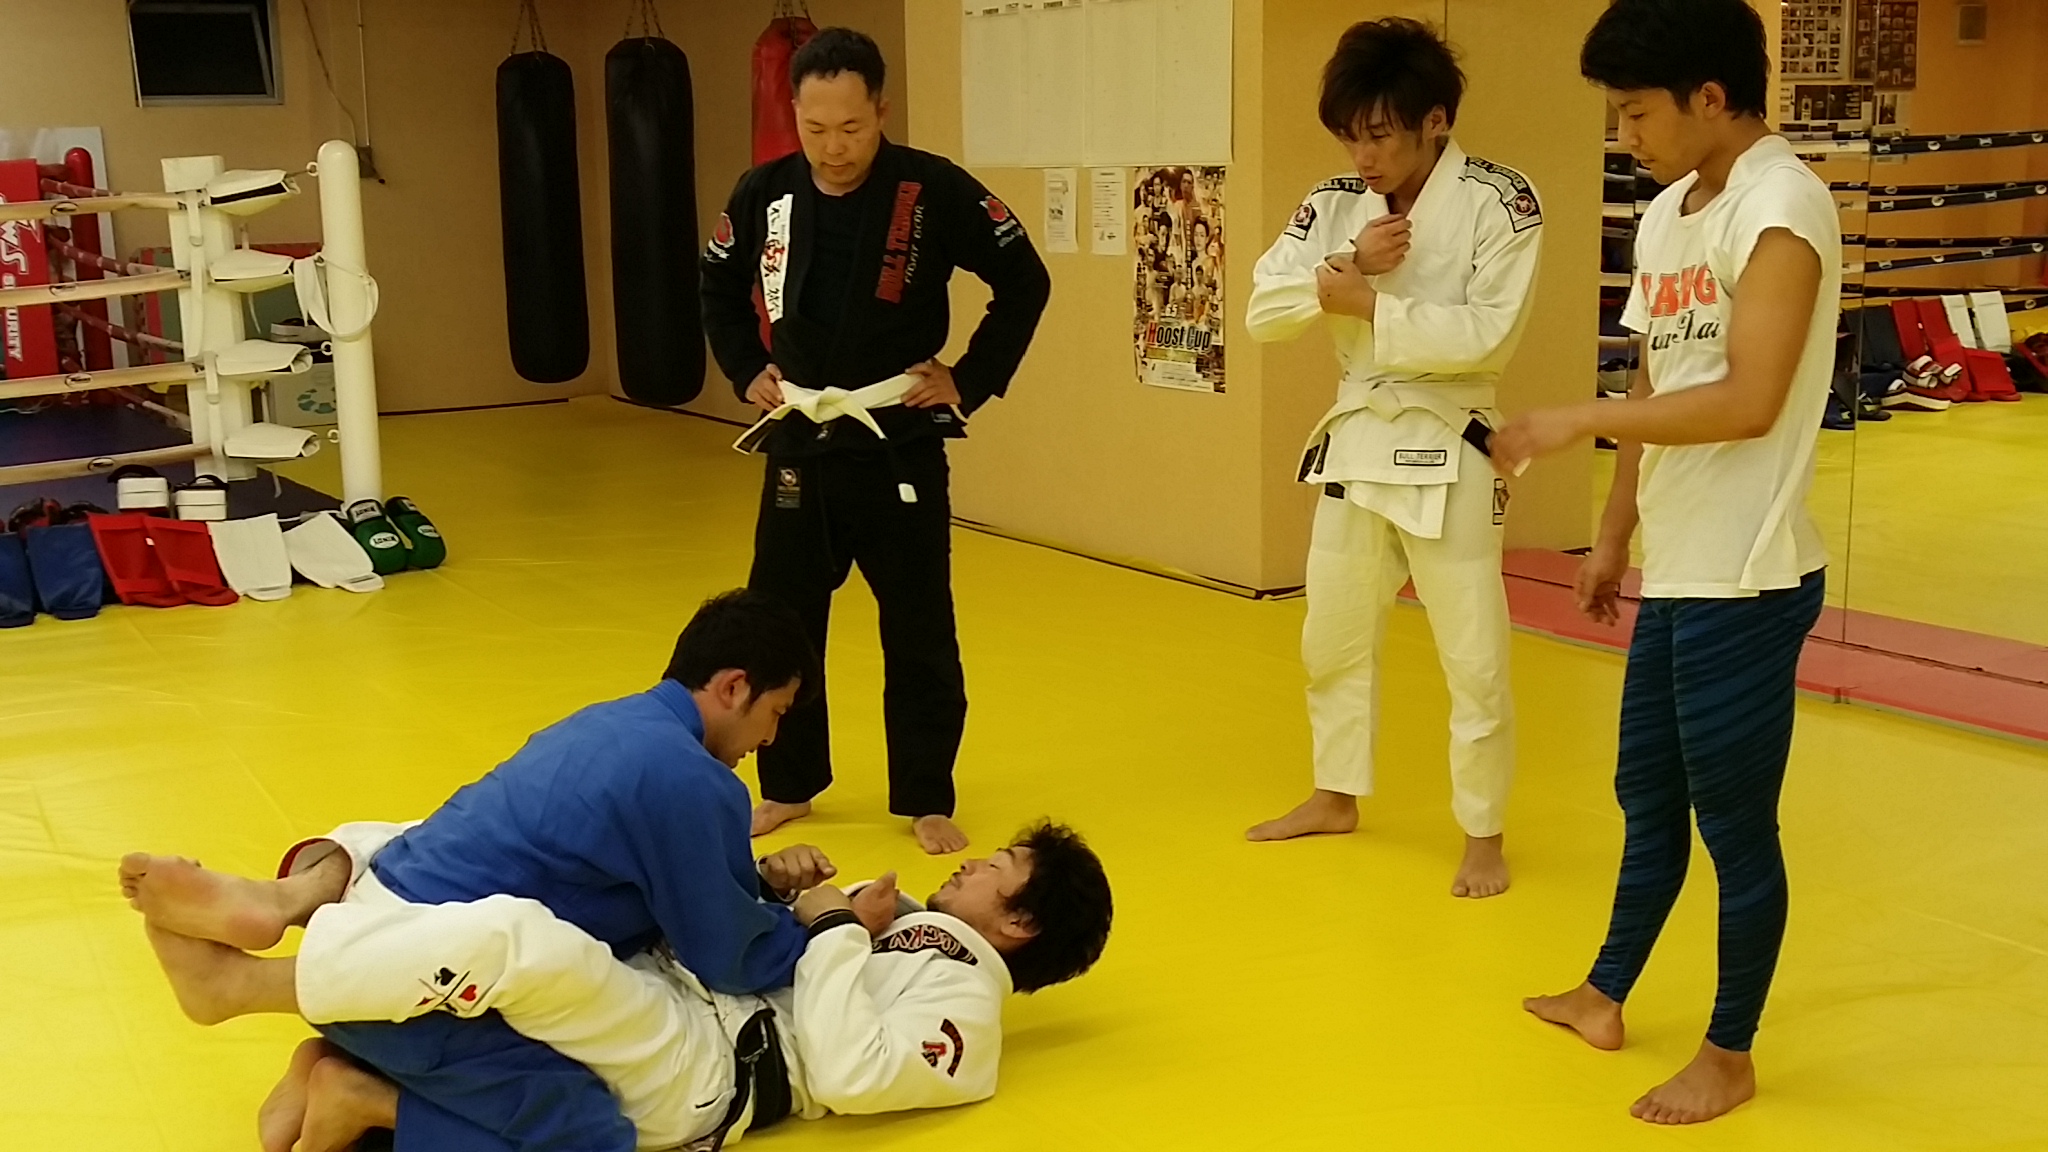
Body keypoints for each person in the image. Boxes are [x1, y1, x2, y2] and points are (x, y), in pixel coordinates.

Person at [120, 589, 825, 1152]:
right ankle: (362, 1096)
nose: (769, 738)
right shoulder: (694, 781)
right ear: (733, 686)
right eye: (776, 712)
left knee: (419, 843)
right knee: (588, 1130)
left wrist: (760, 882)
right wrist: (825, 924)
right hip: (418, 988)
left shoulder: (610, 722)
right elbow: (727, 956)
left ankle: (314, 998)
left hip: (369, 923)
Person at [1497, 0, 1840, 1125]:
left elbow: (1748, 400)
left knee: (1734, 829)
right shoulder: (1665, 215)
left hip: (1749, 576)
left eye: (1637, 112)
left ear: (1710, 96)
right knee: (1645, 794)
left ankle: (1729, 1052)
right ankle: (1605, 994)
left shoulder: (1780, 206)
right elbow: (1657, 384)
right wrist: (1612, 536)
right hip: (1681, 566)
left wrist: (1574, 419)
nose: (1624, 134)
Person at [127, 822, 1112, 1152]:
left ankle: (247, 990)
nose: (972, 862)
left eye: (998, 867)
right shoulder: (896, 920)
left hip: (704, 1068)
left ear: (1019, 924)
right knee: (480, 850)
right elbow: (784, 945)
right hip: (677, 985)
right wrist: (772, 884)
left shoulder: (964, 1016)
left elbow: (851, 1070)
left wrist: (831, 932)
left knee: (520, 943)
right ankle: (291, 898)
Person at [702, 27, 1052, 857]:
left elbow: (1024, 279)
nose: (833, 147)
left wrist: (969, 377)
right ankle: (788, 784)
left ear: (881, 111)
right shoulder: (765, 192)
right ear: (794, 112)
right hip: (801, 437)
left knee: (919, 623)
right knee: (781, 623)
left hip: (897, 438)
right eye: (815, 128)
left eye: (851, 128)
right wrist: (746, 369)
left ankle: (926, 794)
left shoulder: (931, 189)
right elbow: (717, 279)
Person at [1241, 18, 1544, 900]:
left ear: (1435, 120)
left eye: (1379, 134)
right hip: (1359, 436)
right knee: (1330, 635)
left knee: (1474, 657)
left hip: (1451, 441)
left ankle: (1482, 832)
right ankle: (1335, 794)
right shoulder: (1335, 203)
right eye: (1351, 136)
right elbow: (1262, 312)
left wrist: (1368, 304)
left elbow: (1488, 334)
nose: (1363, 155)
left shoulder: (1500, 200)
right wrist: (1344, 264)